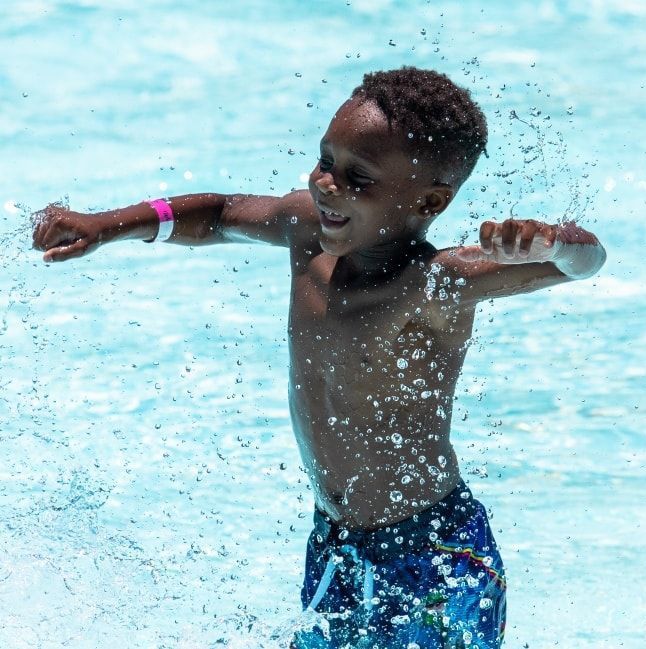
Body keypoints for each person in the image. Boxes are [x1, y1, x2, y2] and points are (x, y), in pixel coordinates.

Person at [31, 67, 606, 648]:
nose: (325, 183)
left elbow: (583, 264)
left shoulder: (434, 284)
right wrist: (108, 226)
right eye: (325, 160)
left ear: (430, 200)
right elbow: (222, 213)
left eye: (358, 176)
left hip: (437, 559)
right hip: (335, 547)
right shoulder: (308, 230)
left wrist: (554, 242)